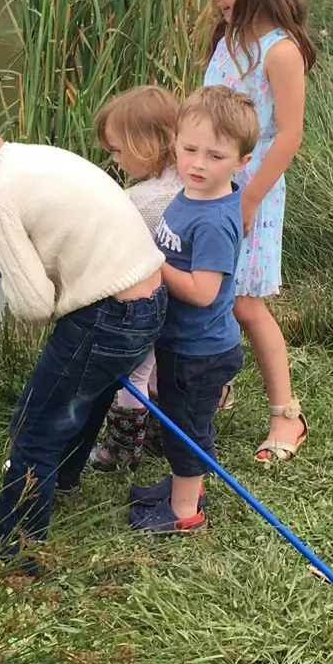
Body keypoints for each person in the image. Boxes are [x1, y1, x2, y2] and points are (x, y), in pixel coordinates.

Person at [0, 100, 166, 572]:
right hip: (148, 302)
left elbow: (33, 306)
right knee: (80, 401)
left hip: (106, 314)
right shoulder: (26, 159)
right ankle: (61, 485)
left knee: (33, 429)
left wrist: (8, 263)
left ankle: (14, 561)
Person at [200, 0, 317, 463]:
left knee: (245, 303)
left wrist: (248, 199)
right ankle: (217, 383)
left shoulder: (280, 52)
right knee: (208, 292)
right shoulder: (228, 40)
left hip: (254, 189)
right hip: (211, 183)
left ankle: (286, 415)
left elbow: (289, 135)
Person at [128, 86, 256, 532]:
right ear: (175, 144)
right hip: (180, 343)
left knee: (187, 432)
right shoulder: (189, 195)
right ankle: (184, 486)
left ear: (242, 162)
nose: (199, 164)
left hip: (199, 352)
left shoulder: (216, 219)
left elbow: (203, 292)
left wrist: (153, 263)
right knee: (181, 424)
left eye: (216, 157)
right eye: (189, 150)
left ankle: (186, 511)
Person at [88, 85, 184, 473]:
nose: (116, 159)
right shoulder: (193, 184)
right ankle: (161, 435)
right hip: (185, 305)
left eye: (118, 150)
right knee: (163, 369)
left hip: (147, 304)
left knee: (135, 374)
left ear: (145, 145)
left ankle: (122, 448)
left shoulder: (140, 200)